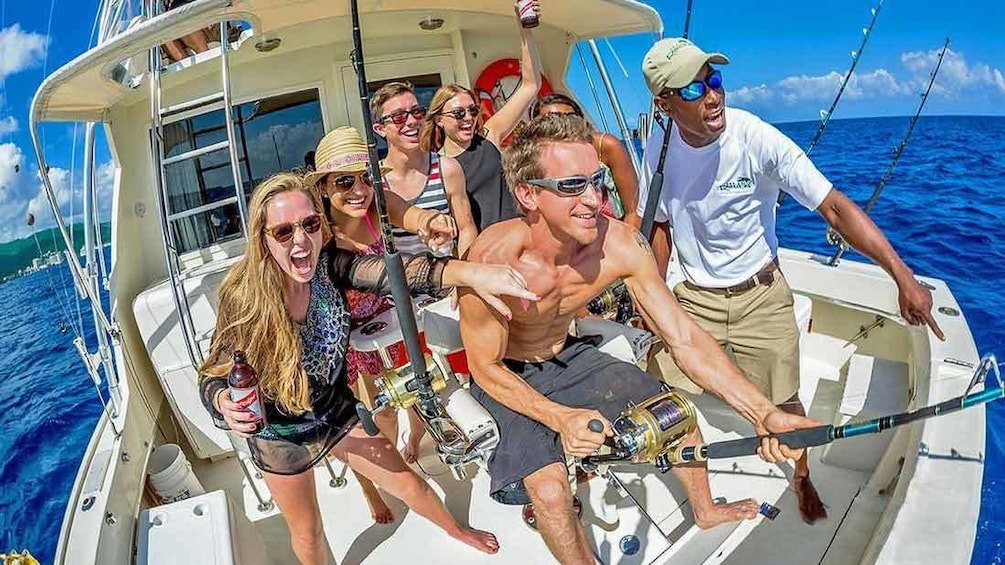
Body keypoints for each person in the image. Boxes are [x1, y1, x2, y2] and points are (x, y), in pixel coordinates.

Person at [459, 114, 818, 563]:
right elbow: (483, 367)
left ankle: (704, 510)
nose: (593, 200)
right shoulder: (493, 260)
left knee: (679, 416)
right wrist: (559, 417)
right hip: (510, 373)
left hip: (568, 354)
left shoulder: (620, 246)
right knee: (550, 491)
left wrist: (763, 412)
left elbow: (683, 336)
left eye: (596, 181)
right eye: (571, 186)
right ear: (528, 194)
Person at [636, 37, 946, 524]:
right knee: (659, 388)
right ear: (665, 104)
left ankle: (802, 477)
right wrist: (652, 295)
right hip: (694, 298)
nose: (713, 94)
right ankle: (700, 498)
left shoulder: (756, 137)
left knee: (786, 401)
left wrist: (903, 276)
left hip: (761, 296)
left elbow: (835, 207)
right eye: (693, 89)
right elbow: (656, 224)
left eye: (714, 79)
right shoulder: (658, 145)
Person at [198, 172, 538, 564]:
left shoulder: (328, 266)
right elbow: (214, 373)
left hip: (333, 408)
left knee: (412, 485)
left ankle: (456, 529)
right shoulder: (244, 295)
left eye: (310, 225)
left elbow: (394, 273)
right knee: (308, 535)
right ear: (262, 239)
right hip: (278, 430)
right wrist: (223, 400)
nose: (300, 240)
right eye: (283, 231)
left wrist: (473, 272)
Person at [420, 0, 543, 231]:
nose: (468, 118)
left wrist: (524, 29)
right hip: (483, 255)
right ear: (439, 120)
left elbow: (530, 85)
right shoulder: (435, 165)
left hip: (523, 236)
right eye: (458, 113)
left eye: (473, 111)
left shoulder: (489, 136)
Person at [531, 92, 674, 275]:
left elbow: (634, 210)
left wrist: (623, 254)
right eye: (551, 120)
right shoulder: (538, 163)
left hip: (611, 241)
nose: (563, 124)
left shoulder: (605, 146)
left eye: (571, 117)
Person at [371, 82, 477, 257]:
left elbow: (466, 229)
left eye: (416, 112)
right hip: (400, 282)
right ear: (380, 129)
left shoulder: (447, 168)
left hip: (448, 279)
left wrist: (465, 276)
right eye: (399, 117)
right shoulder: (374, 181)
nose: (412, 121)